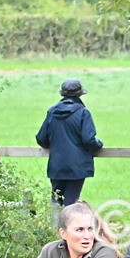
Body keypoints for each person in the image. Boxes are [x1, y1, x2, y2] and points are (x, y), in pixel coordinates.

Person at [35, 79, 103, 208]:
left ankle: (54, 227)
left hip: (56, 165)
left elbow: (41, 138)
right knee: (71, 203)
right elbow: (89, 140)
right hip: (77, 167)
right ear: (80, 94)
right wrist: (98, 145)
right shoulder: (83, 113)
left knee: (56, 201)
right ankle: (67, 227)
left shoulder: (52, 112)